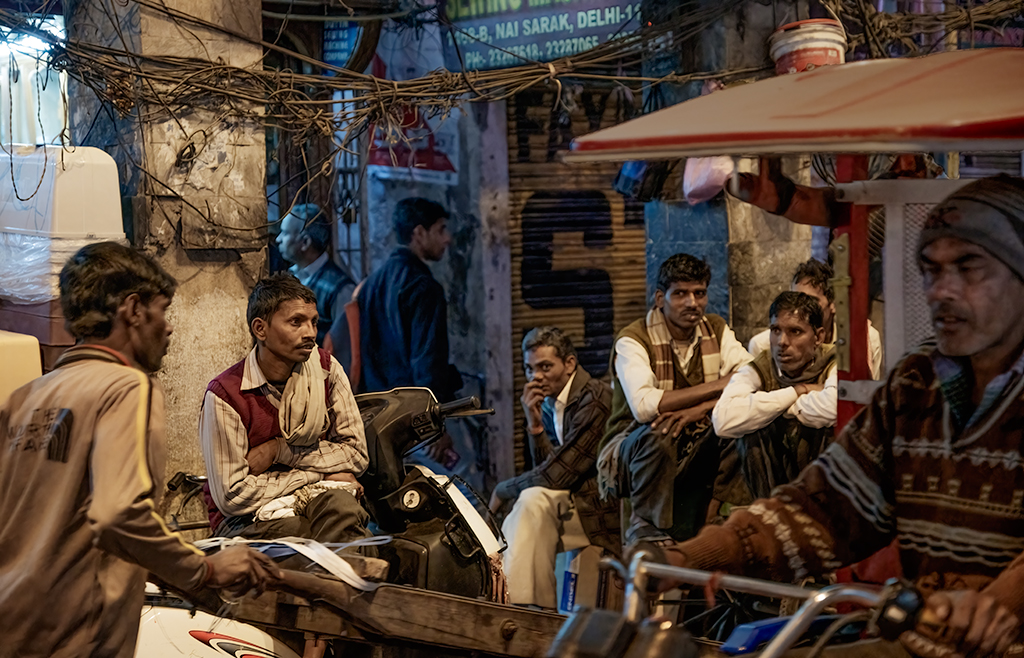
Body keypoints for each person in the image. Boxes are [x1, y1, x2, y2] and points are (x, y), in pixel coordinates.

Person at [656, 176, 1024, 658]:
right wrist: (691, 556)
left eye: (969, 268)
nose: (941, 291)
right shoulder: (917, 384)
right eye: (931, 271)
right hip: (922, 643)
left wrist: (1000, 604)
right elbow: (827, 505)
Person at [0, 242, 279, 658]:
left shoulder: (24, 398)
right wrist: (203, 568)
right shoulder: (126, 386)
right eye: (163, 310)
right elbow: (118, 512)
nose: (168, 327)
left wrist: (161, 566)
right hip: (76, 631)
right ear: (132, 310)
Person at [200, 273, 370, 545]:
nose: (311, 333)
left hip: (317, 500)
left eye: (314, 322)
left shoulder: (326, 369)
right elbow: (233, 495)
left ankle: (348, 583)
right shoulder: (226, 394)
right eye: (296, 322)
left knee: (346, 511)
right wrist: (317, 474)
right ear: (260, 329)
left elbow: (357, 455)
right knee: (302, 534)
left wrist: (279, 450)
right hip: (244, 521)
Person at [598, 253, 751, 547]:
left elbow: (751, 377)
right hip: (634, 446)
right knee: (661, 428)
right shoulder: (632, 339)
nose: (692, 303)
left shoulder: (716, 329)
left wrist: (700, 409)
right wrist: (720, 384)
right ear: (660, 298)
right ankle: (644, 523)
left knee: (743, 420)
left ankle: (713, 520)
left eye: (699, 293)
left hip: (696, 437)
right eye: (680, 293)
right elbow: (645, 406)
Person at [489, 327, 618, 609]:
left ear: (569, 363)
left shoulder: (594, 399)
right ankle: (526, 605)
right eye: (530, 368)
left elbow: (555, 476)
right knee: (530, 503)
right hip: (572, 504)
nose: (536, 376)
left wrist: (502, 490)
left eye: (545, 367)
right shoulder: (550, 403)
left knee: (529, 500)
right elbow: (549, 469)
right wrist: (535, 425)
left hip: (600, 512)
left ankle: (524, 607)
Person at [358, 197, 462, 462]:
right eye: (440, 229)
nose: (447, 239)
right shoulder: (423, 287)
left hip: (377, 418)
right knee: (460, 487)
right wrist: (434, 428)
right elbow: (427, 362)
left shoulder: (373, 283)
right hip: (412, 422)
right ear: (419, 233)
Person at [714, 291, 836, 501]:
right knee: (750, 428)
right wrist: (797, 391)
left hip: (824, 482)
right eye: (775, 330)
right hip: (774, 480)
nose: (782, 342)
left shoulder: (835, 361)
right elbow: (722, 420)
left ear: (818, 337)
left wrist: (778, 406)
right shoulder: (761, 365)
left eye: (795, 331)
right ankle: (769, 509)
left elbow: (832, 407)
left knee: (828, 427)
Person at [747, 258, 883, 379]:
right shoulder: (763, 346)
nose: (799, 308)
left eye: (811, 300)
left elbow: (866, 396)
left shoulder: (865, 338)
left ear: (833, 304)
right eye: (795, 298)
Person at [275, 203, 356, 363]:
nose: (278, 239)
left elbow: (345, 349)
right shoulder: (289, 278)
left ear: (305, 242)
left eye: (285, 233)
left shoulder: (339, 289)